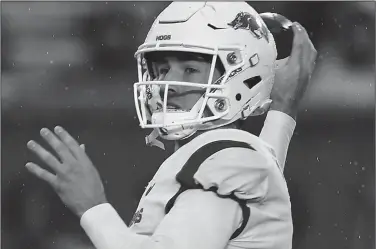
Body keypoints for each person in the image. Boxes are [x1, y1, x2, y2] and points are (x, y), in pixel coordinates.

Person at [25, 2, 317, 249]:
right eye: (163, 69)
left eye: (189, 69)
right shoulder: (235, 158)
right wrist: (283, 109)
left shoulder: (229, 160)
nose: (168, 84)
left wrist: (92, 206)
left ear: (239, 76)